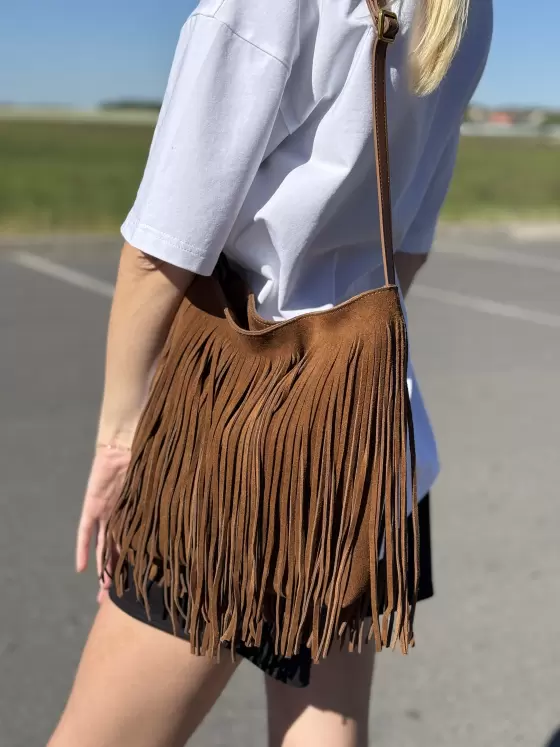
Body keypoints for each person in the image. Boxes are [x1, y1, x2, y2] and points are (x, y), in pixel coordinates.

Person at [48, 1, 492, 745]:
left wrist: (120, 439)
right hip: (370, 432)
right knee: (324, 722)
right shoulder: (470, 13)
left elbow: (160, 250)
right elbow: (408, 247)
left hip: (234, 446)